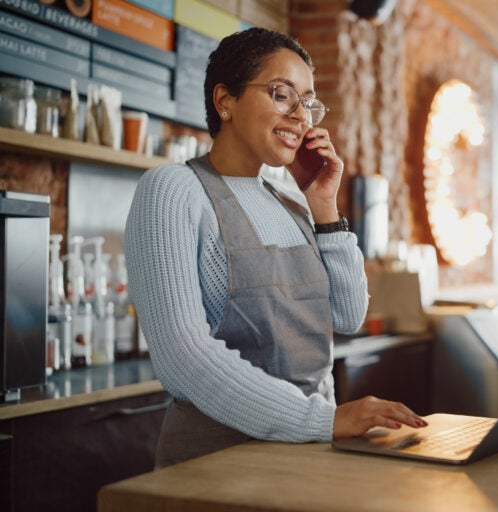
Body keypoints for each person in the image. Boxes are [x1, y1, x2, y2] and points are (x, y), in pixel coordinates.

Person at [125, 28, 426, 468]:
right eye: (282, 95)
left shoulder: (291, 200)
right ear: (224, 100)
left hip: (308, 453)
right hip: (216, 464)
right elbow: (183, 359)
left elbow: (347, 315)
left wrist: (324, 205)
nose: (302, 116)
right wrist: (320, 421)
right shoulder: (173, 189)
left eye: (307, 102)